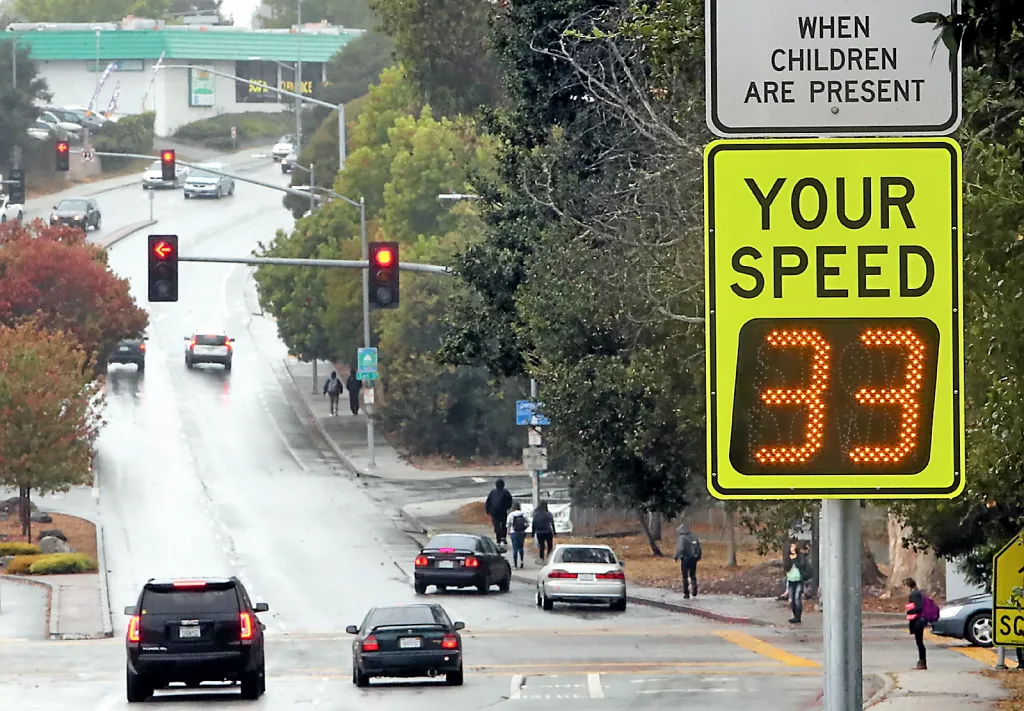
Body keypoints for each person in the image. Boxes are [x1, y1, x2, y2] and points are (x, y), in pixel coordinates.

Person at [785, 542, 812, 624]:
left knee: (797, 598)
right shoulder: (787, 558)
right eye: (791, 547)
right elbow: (786, 568)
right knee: (792, 600)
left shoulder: (800, 557)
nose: (792, 549)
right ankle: (794, 615)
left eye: (794, 547)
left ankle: (798, 617)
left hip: (799, 580)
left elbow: (804, 567)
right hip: (790, 580)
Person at [904, 577, 927, 670]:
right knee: (919, 642)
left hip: (918, 620)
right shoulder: (918, 592)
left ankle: (922, 662)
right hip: (920, 620)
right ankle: (922, 661)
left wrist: (909, 611)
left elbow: (918, 608)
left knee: (919, 642)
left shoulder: (914, 594)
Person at [673, 524, 702, 599]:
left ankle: (686, 593)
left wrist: (676, 557)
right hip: (693, 559)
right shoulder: (693, 536)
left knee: (685, 576)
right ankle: (694, 589)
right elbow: (698, 546)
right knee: (693, 574)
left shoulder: (682, 538)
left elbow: (680, 548)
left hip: (685, 559)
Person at [484, 479, 514, 545]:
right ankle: (503, 537)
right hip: (503, 512)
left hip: (494, 512)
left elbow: (488, 501)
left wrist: (488, 510)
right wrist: (507, 507)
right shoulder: (506, 492)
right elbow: (510, 501)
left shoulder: (493, 492)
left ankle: (499, 539)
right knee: (503, 525)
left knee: (497, 526)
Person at [507, 502, 528, 569]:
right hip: (521, 532)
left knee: (515, 548)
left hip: (514, 532)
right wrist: (524, 528)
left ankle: (515, 565)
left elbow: (508, 525)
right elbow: (528, 523)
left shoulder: (511, 515)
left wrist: (508, 532)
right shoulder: (523, 514)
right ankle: (522, 562)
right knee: (521, 547)